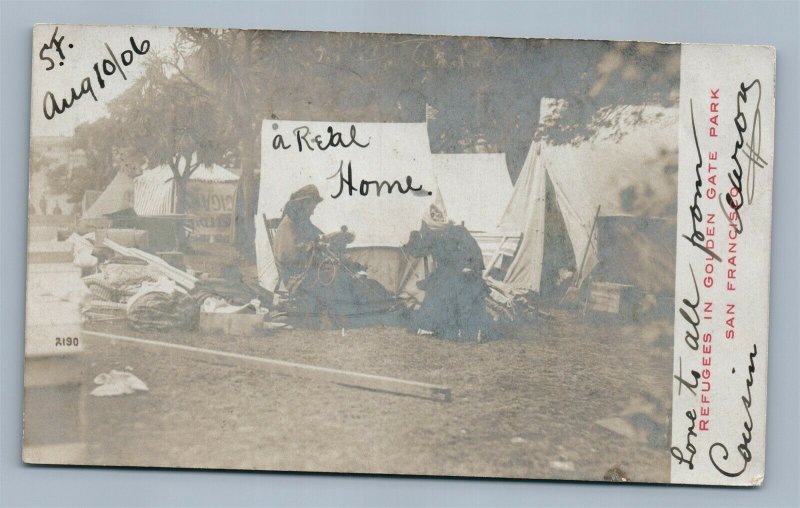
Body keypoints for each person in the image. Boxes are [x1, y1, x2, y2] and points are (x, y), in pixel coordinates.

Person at [272, 184, 404, 328]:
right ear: (304, 203)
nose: (313, 212)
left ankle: (381, 306)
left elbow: (317, 237)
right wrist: (319, 244)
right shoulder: (287, 226)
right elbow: (293, 257)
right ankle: (369, 313)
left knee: (350, 281)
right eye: (312, 208)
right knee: (342, 283)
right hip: (298, 280)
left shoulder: (300, 222)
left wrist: (333, 238)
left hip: (311, 274)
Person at [403, 203, 494, 341]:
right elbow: (417, 251)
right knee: (441, 290)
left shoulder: (458, 230)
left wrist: (469, 266)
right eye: (434, 215)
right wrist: (412, 239)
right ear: (428, 218)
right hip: (444, 273)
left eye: (440, 214)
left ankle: (471, 330)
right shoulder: (429, 235)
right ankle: (444, 328)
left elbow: (473, 250)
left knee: (467, 288)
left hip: (465, 271)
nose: (438, 217)